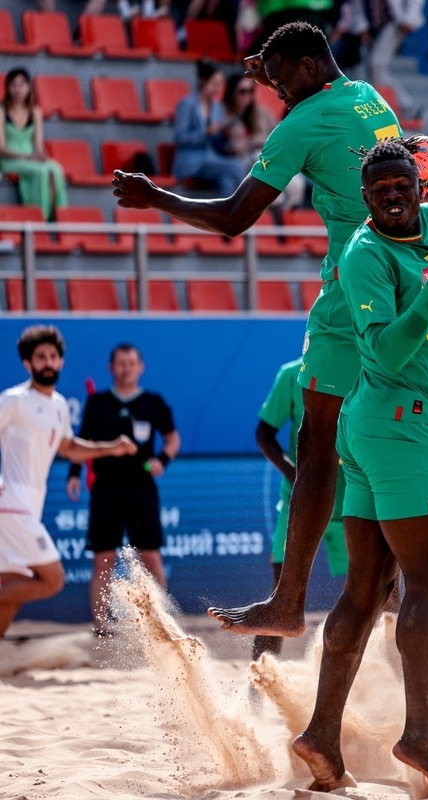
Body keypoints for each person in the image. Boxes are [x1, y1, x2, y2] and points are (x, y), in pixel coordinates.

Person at [112, 21, 402, 639]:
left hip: (353, 285)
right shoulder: (369, 97)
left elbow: (234, 217)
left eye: (278, 83)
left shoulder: (301, 122)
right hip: (401, 278)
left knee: (318, 439)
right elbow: (308, 89)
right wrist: (276, 66)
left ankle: (288, 602)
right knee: (377, 432)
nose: (273, 96)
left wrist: (154, 197)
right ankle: (391, 583)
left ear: (304, 68)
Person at [290, 138, 428, 797]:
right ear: (366, 197)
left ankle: (322, 737)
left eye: (401, 185)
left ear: (422, 187)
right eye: (379, 188)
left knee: (369, 586)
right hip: (395, 418)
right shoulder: (362, 255)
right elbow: (385, 348)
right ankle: (423, 738)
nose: (391, 194)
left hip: (380, 424)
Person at [0, 326, 137, 638]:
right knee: (52, 580)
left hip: (28, 506)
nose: (47, 362)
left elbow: (68, 447)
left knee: (12, 591)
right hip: (9, 501)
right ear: (27, 364)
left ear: (60, 361)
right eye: (40, 357)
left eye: (53, 356)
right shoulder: (14, 399)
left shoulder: (59, 405)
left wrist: (110, 448)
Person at [66, 344, 180, 636]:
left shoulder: (153, 402)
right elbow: (81, 441)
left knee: (150, 556)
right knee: (103, 558)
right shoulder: (98, 402)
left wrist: (162, 460)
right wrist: (74, 474)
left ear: (140, 367)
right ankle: (102, 627)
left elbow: (172, 438)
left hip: (141, 489)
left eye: (131, 363)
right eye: (120, 363)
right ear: (111, 367)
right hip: (106, 490)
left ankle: (160, 622)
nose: (126, 368)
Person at [250, 356, 349, 663]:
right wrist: (294, 474)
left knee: (380, 596)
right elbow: (264, 433)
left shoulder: (366, 366)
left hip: (353, 500)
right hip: (300, 502)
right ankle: (257, 691)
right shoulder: (292, 374)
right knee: (279, 600)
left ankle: (390, 688)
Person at [0, 68, 67, 221]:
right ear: (8, 88)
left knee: (56, 169)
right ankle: (39, 218)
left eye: (21, 85)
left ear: (28, 87)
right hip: (10, 159)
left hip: (30, 157)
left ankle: (57, 218)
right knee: (41, 172)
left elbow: (38, 143)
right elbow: (1, 147)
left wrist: (40, 155)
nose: (18, 89)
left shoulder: (35, 111)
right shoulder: (2, 111)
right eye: (13, 85)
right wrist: (27, 156)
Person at [173, 59, 248, 196]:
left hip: (211, 158)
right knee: (236, 166)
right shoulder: (187, 104)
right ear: (203, 81)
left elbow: (216, 143)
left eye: (220, 85)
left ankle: (225, 217)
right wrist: (205, 132)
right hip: (192, 161)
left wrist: (224, 136)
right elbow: (180, 138)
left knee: (227, 181)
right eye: (214, 84)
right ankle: (246, 208)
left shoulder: (217, 107)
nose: (217, 89)